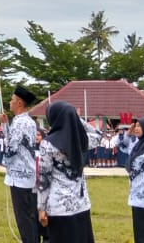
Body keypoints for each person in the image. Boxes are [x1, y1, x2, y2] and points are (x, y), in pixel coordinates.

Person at [37, 101, 94, 243]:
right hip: (81, 204)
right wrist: (76, 119)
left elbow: (44, 178)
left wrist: (41, 207)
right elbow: (98, 133)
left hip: (59, 206)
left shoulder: (48, 143)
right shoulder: (82, 140)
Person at [1, 85, 43, 243]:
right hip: (29, 174)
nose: (10, 102)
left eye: (12, 99)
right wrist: (5, 126)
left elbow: (12, 147)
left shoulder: (20, 123)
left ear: (19, 102)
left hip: (20, 176)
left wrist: (4, 161)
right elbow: (14, 141)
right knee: (31, 217)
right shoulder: (28, 121)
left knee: (24, 219)